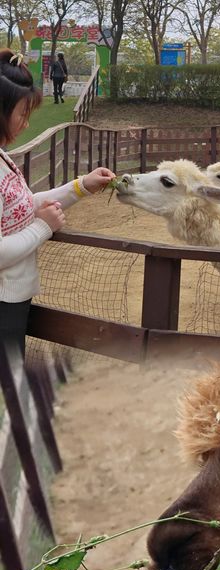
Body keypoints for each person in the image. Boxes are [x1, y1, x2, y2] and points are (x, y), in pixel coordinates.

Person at [0, 49, 115, 352]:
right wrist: (42, 228)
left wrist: (82, 186)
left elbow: (22, 205)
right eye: (23, 114)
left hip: (11, 299)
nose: (26, 123)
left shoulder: (2, 158)